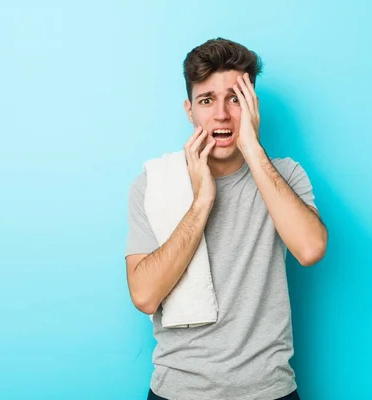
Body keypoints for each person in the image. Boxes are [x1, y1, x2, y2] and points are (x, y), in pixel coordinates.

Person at [125, 37, 328, 400]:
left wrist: (252, 148)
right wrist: (202, 200)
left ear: (252, 106)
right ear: (190, 110)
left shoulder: (285, 175)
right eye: (207, 100)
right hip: (178, 391)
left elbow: (311, 249)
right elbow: (144, 296)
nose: (221, 114)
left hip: (270, 390)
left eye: (235, 98)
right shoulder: (154, 182)